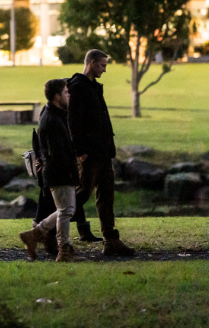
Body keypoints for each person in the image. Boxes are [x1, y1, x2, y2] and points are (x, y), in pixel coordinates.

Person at [69, 49, 135, 258]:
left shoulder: (94, 87)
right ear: (91, 62)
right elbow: (73, 122)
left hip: (103, 152)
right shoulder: (78, 87)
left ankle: (111, 240)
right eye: (102, 65)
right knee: (82, 194)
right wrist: (80, 152)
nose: (104, 70)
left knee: (106, 196)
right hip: (90, 153)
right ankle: (45, 228)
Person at [19, 79, 82, 262]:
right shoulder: (52, 120)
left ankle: (35, 234)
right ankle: (63, 250)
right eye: (66, 92)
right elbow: (57, 153)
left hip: (59, 173)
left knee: (66, 209)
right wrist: (71, 171)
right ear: (57, 96)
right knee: (65, 211)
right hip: (59, 173)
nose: (69, 95)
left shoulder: (56, 114)